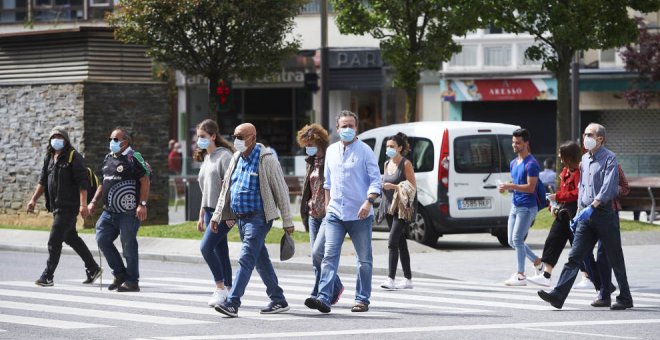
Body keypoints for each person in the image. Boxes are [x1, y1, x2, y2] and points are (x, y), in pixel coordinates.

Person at [538, 123, 633, 310]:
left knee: (614, 257)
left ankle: (625, 297)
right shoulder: (584, 160)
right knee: (575, 256)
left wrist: (594, 205)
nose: (585, 138)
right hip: (586, 216)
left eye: (590, 134)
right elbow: (582, 188)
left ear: (600, 139)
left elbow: (607, 187)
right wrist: (581, 211)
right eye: (584, 134)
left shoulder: (610, 158)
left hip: (604, 213)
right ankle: (558, 295)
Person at [210, 123, 294, 318]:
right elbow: (227, 189)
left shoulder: (267, 159)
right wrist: (217, 215)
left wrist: (287, 221)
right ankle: (278, 299)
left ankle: (233, 303)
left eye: (240, 136)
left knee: (246, 258)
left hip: (259, 217)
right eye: (235, 136)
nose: (236, 140)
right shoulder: (237, 157)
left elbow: (281, 190)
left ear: (253, 137)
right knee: (260, 260)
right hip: (240, 218)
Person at [307, 110, 381, 314]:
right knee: (326, 255)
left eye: (351, 125)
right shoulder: (331, 151)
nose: (348, 129)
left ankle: (362, 299)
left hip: (360, 215)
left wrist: (368, 202)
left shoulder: (365, 151)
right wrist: (329, 205)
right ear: (337, 128)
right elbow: (328, 183)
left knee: (364, 259)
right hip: (335, 214)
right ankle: (324, 297)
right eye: (344, 126)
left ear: (356, 128)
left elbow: (376, 180)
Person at [26, 126, 102, 287]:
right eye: (53, 136)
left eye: (60, 136)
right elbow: (42, 181)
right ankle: (93, 268)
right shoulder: (49, 157)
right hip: (56, 207)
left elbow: (83, 184)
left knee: (54, 240)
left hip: (69, 207)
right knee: (71, 238)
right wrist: (33, 200)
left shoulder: (73, 157)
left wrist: (83, 205)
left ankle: (48, 275)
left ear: (66, 140)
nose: (56, 139)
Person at [88, 127, 151, 292]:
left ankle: (132, 281)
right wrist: (94, 201)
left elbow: (145, 180)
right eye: (111, 139)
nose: (112, 143)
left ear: (126, 142)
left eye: (115, 140)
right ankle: (120, 273)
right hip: (109, 211)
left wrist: (142, 204)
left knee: (128, 245)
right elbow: (103, 182)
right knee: (102, 238)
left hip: (129, 212)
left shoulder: (133, 157)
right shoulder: (108, 158)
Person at [296, 124, 345, 308]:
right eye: (305, 144)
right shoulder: (310, 161)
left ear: (319, 142)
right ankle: (319, 292)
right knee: (315, 258)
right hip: (312, 214)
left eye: (310, 143)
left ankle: (334, 286)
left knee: (318, 253)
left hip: (327, 213)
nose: (307, 147)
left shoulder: (330, 159)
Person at [527, 141, 582, 287]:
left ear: (568, 156)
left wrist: (558, 197)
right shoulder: (564, 172)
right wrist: (555, 202)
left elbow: (578, 193)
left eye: (561, 154)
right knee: (553, 240)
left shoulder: (578, 173)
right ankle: (546, 275)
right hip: (563, 212)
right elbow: (563, 193)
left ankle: (591, 277)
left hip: (574, 212)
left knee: (579, 247)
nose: (558, 156)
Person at [194, 119, 235, 307]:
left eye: (203, 136)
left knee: (205, 248)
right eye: (198, 137)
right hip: (210, 211)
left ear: (213, 136)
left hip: (222, 213)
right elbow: (206, 190)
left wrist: (229, 215)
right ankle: (228, 289)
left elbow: (230, 188)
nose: (199, 140)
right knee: (221, 252)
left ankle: (219, 287)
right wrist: (201, 214)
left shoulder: (224, 156)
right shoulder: (207, 158)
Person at [499, 128, 543, 286]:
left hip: (527, 207)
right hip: (515, 205)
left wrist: (512, 186)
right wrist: (506, 189)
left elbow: (531, 188)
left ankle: (521, 275)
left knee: (517, 239)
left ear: (526, 143)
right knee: (512, 241)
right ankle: (538, 262)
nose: (514, 145)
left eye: (518, 142)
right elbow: (516, 184)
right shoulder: (513, 163)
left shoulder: (531, 164)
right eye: (513, 142)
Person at [581, 164, 630, 307]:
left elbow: (625, 188)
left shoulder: (613, 164)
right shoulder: (585, 164)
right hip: (589, 215)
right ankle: (605, 291)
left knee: (605, 255)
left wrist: (608, 190)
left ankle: (607, 294)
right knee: (582, 252)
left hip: (609, 213)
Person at [377, 133, 417, 290]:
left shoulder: (406, 164)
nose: (389, 149)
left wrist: (393, 187)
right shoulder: (387, 164)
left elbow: (412, 186)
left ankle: (390, 279)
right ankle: (408, 279)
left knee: (392, 241)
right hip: (388, 206)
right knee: (401, 242)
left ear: (400, 148)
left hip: (401, 209)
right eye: (387, 146)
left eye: (392, 146)